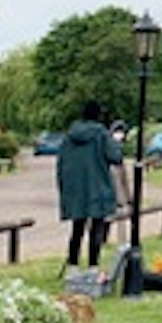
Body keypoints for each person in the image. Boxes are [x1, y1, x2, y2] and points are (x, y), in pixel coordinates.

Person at [56, 100, 124, 272]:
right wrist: (116, 141)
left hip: (75, 189)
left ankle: (73, 265)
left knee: (77, 228)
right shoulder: (101, 134)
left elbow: (61, 163)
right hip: (98, 187)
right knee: (97, 228)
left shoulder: (70, 136)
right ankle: (93, 265)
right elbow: (116, 157)